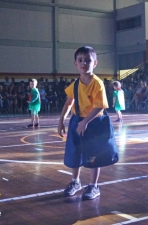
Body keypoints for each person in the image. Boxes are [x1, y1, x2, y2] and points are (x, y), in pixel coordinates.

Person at [58, 46, 108, 200]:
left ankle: (94, 186)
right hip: (77, 120)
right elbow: (68, 103)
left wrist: (85, 122)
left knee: (94, 154)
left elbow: (99, 106)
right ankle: (75, 182)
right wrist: (61, 121)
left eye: (88, 60)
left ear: (95, 63)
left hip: (93, 122)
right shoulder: (75, 84)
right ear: (75, 64)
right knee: (75, 152)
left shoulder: (97, 84)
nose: (84, 63)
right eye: (80, 60)